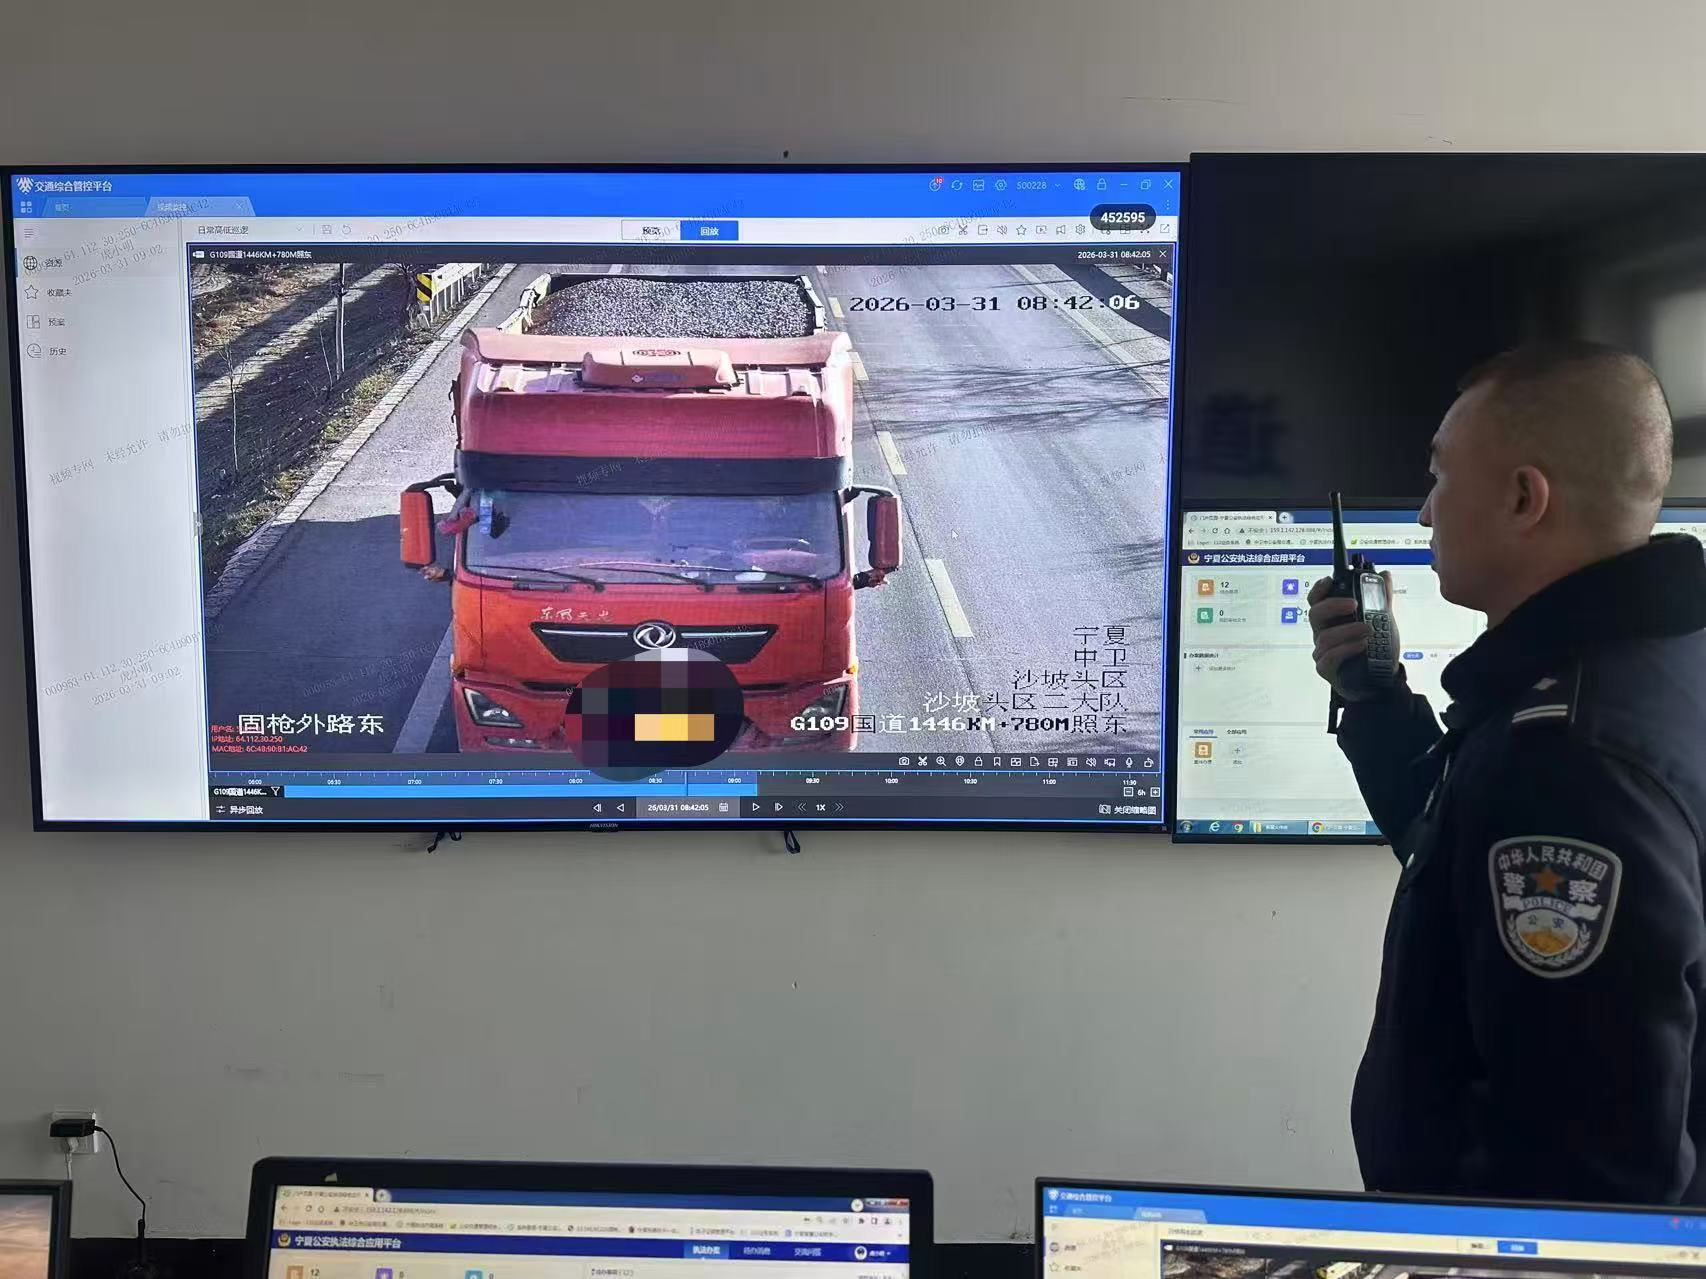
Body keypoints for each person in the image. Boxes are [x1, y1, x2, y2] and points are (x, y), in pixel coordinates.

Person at [1309, 341, 1706, 1204]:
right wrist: (1378, 701)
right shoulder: (1640, 669)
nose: (1425, 512)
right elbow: (1463, 848)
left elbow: (1590, 1177)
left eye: (1440, 477)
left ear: (1526, 497)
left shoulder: (1573, 761)